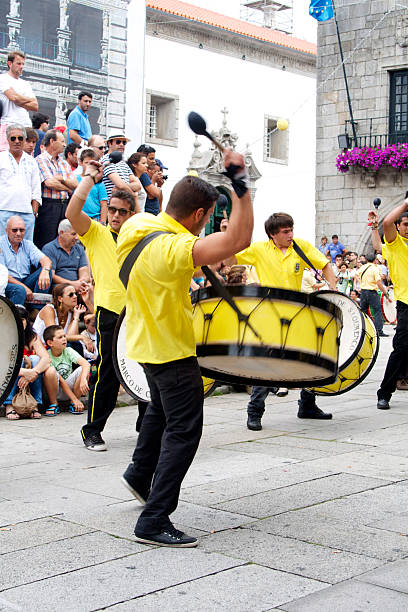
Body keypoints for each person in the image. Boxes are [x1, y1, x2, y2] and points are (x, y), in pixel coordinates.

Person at [115, 148, 253, 548]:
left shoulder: (136, 225)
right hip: (171, 350)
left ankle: (140, 475)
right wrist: (239, 182)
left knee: (159, 411)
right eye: (207, 217)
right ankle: (154, 519)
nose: (206, 224)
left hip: (141, 343)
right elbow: (239, 239)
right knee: (184, 429)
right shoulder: (174, 251)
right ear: (198, 215)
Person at [226, 212, 338, 431]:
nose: (290, 234)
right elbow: (231, 260)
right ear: (272, 234)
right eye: (285, 231)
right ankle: (254, 411)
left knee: (310, 360)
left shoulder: (301, 246)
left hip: (298, 315)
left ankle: (307, 405)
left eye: (291, 230)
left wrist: (333, 290)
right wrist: (230, 240)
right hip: (269, 316)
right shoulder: (258, 249)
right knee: (267, 364)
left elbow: (325, 265)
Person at [66, 169, 137, 451]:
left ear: (131, 215)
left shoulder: (139, 237)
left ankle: (146, 428)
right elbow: (73, 213)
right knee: (107, 374)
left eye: (123, 211)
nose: (117, 215)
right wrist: (88, 180)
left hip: (139, 314)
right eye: (113, 210)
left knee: (145, 371)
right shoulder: (95, 233)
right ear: (107, 210)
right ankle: (92, 430)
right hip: (110, 314)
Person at [372, 199, 408, 410]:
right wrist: (405, 203)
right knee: (401, 348)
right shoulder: (395, 244)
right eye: (405, 224)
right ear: (398, 226)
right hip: (406, 303)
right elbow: (386, 222)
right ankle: (384, 393)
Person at [4, 305, 56, 420]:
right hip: (8, 378)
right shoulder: (3, 336)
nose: (19, 322)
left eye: (22, 319)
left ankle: (35, 405)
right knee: (19, 360)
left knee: (36, 359)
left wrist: (33, 373)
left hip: (29, 380)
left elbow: (46, 359)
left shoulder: (32, 336)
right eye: (16, 319)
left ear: (26, 321)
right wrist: (23, 372)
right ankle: (9, 405)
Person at [34, 129, 78, 249]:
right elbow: (50, 182)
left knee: (64, 241)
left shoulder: (63, 163)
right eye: (62, 141)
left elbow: (75, 184)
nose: (65, 144)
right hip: (48, 206)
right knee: (46, 240)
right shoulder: (40, 159)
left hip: (64, 206)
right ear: (52, 141)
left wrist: (62, 179)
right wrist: (67, 189)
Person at [0, 124, 41, 241]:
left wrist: (34, 213)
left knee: (26, 249)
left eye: (20, 138)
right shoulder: (1, 158)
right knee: (3, 250)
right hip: (3, 211)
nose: (17, 141)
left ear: (24, 139)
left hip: (26, 213)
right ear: (8, 140)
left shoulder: (32, 162)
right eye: (13, 138)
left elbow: (36, 189)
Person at [0, 216, 51, 305]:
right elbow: (3, 275)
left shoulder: (27, 244)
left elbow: (46, 260)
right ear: (7, 231)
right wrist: (23, 287)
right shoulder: (1, 244)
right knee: (19, 290)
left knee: (47, 271)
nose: (18, 233)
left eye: (22, 230)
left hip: (25, 280)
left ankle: (36, 309)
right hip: (6, 283)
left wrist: (45, 271)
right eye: (14, 230)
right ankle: (17, 317)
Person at [33, 283, 91, 357]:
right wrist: (82, 337)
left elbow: (72, 337)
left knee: (75, 344)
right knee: (70, 346)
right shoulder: (49, 310)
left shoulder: (71, 313)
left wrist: (76, 317)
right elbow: (54, 335)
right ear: (60, 298)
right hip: (42, 348)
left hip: (58, 348)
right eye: (71, 295)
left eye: (75, 294)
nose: (75, 296)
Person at [44, 325, 90, 415]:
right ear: (50, 343)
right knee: (50, 371)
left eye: (64, 336)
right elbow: (60, 381)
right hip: (54, 389)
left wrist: (84, 379)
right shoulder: (46, 355)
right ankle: (54, 404)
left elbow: (86, 364)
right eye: (60, 337)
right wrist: (74, 398)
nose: (64, 339)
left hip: (68, 387)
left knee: (83, 369)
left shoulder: (68, 350)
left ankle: (74, 404)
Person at [0, 51, 38, 152]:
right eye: (18, 63)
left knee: (25, 159)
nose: (21, 66)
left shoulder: (25, 84)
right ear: (9, 64)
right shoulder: (3, 79)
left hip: (25, 126)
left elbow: (35, 105)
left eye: (23, 64)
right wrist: (26, 100)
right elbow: (13, 98)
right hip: (9, 124)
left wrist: (18, 99)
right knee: (6, 158)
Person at [42, 219, 90, 290]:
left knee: (91, 289)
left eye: (78, 234)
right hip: (60, 287)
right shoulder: (49, 249)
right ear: (61, 233)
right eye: (73, 234)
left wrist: (80, 283)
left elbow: (84, 271)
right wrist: (72, 284)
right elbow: (51, 275)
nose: (77, 238)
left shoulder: (79, 249)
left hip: (78, 285)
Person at [102, 131, 141, 204]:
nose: (121, 145)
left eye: (124, 143)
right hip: (111, 208)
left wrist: (120, 188)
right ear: (109, 144)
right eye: (118, 142)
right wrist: (132, 195)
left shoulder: (123, 163)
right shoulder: (106, 160)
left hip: (124, 206)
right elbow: (120, 184)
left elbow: (138, 185)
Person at [357, 253, 390, 337]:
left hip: (363, 292)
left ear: (366, 259)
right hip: (372, 292)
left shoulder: (362, 267)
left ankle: (364, 330)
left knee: (363, 311)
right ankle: (378, 331)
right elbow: (379, 282)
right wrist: (385, 293)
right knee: (377, 311)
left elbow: (356, 275)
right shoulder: (375, 269)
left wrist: (362, 283)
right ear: (375, 260)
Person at [75, 149, 108, 223]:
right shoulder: (75, 179)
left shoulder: (99, 183)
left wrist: (102, 223)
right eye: (86, 163)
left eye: (92, 164)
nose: (89, 166)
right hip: (79, 218)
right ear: (80, 162)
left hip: (95, 218)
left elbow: (104, 204)